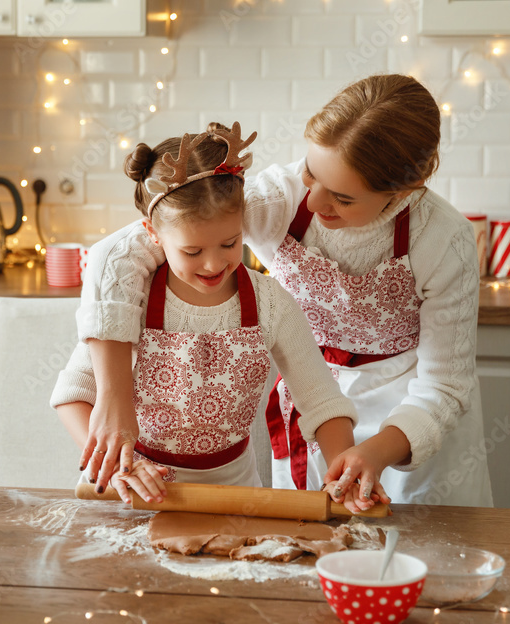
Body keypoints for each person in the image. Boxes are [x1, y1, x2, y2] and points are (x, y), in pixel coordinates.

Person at [75, 75, 493, 512]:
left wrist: (376, 452)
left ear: (404, 189)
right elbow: (121, 250)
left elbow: (445, 386)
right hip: (317, 413)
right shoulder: (278, 198)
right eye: (311, 173)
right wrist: (114, 401)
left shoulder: (444, 240)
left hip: (411, 420)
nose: (312, 203)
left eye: (344, 198)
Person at [50, 123, 361, 505]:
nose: (214, 264)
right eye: (192, 251)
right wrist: (119, 464)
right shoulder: (133, 299)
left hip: (234, 498)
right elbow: (72, 395)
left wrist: (344, 472)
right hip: (135, 493)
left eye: (229, 243)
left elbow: (322, 401)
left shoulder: (271, 304)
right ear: (153, 233)